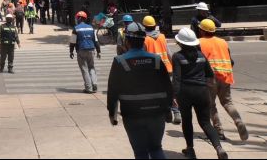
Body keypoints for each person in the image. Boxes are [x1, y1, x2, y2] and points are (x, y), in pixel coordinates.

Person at [106, 23, 173, 160]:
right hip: (156, 112)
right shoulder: (156, 59)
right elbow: (167, 87)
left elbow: (113, 90)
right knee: (156, 148)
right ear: (144, 40)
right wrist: (168, 109)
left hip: (132, 115)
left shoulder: (119, 61)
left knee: (140, 152)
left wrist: (112, 114)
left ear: (126, 40)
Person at [172, 28, 228, 160]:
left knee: (187, 120)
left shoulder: (177, 56)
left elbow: (177, 79)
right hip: (202, 92)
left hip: (185, 93)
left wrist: (174, 96)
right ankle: (219, 148)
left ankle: (190, 150)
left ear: (180, 43)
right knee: (205, 122)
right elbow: (209, 74)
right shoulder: (201, 55)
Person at [198, 19, 249, 142]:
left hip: (210, 77)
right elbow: (231, 61)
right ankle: (238, 121)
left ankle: (219, 132)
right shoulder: (223, 42)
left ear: (202, 30)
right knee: (227, 102)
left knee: (211, 105)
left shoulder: (199, 42)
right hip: (225, 75)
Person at [70, 11, 101, 94]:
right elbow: (96, 41)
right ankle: (94, 84)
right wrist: (98, 51)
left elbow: (73, 42)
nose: (76, 19)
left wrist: (71, 51)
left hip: (81, 50)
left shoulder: (76, 28)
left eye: (77, 18)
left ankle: (89, 88)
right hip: (91, 49)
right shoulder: (91, 28)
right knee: (91, 67)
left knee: (84, 69)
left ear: (80, 18)